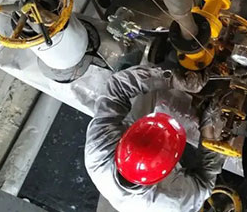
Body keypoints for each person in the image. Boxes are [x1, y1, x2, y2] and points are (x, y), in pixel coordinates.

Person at [85, 65, 224, 212]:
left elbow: (117, 87)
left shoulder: (99, 151)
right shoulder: (172, 201)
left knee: (150, 78)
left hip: (122, 138)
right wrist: (209, 130)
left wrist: (172, 79)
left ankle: (163, 66)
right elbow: (204, 182)